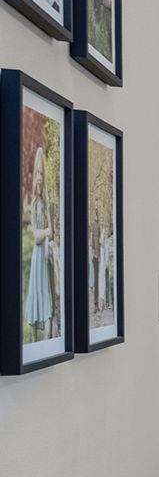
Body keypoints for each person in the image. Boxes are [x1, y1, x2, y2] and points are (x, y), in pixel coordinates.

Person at [23, 144, 57, 339]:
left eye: (40, 179)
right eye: (36, 179)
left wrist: (42, 233)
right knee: (35, 290)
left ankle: (45, 339)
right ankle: (36, 340)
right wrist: (41, 233)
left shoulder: (45, 204)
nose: (38, 183)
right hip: (37, 255)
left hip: (43, 254)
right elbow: (35, 235)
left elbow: (48, 231)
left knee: (45, 291)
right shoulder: (35, 204)